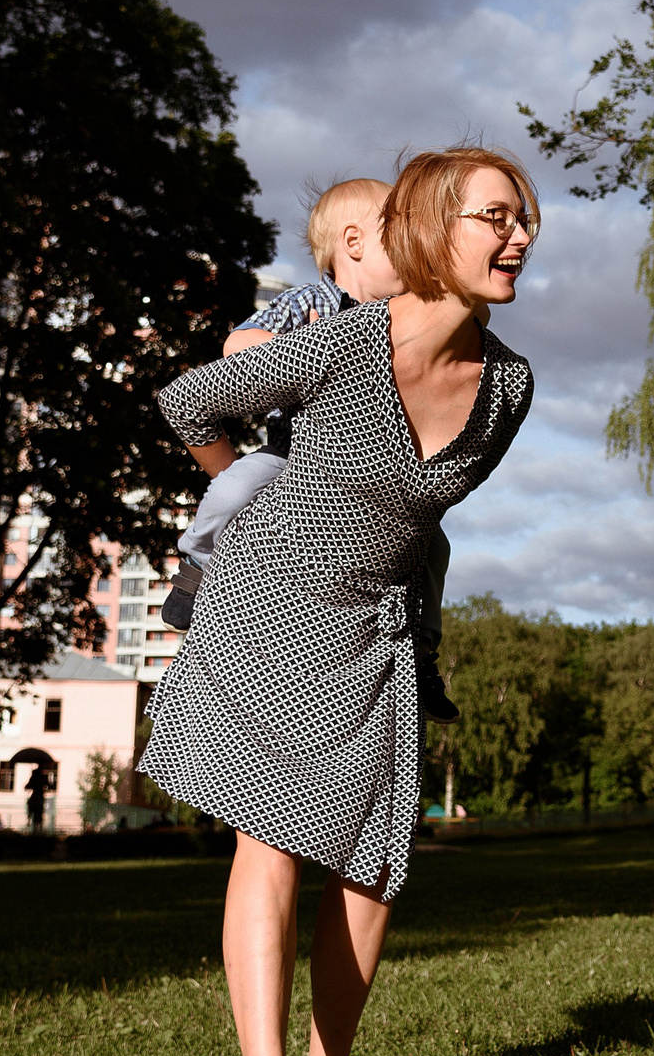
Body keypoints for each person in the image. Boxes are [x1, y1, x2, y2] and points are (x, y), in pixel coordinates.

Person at [138, 146, 539, 1056]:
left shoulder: (509, 385)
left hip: (382, 624)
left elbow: (417, 508)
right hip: (274, 601)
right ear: (429, 232)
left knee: (374, 861)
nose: (519, 235)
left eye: (524, 219)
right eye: (496, 216)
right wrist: (252, 486)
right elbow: (189, 402)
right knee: (272, 840)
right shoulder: (342, 342)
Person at [160, 176, 459, 720]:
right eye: (403, 238)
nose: (416, 252)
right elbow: (237, 344)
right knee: (234, 487)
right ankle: (198, 566)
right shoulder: (311, 302)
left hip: (371, 468)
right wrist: (304, 347)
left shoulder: (403, 319)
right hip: (290, 453)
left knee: (433, 546)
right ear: (354, 242)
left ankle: (420, 654)